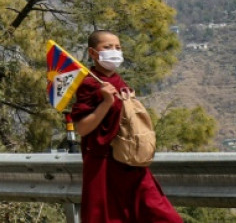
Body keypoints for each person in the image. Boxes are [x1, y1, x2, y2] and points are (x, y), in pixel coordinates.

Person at [71, 30, 182, 223]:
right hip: (104, 164)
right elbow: (82, 128)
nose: (114, 51)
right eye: (107, 47)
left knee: (162, 216)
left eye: (118, 47)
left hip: (131, 161)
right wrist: (106, 102)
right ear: (93, 53)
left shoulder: (118, 82)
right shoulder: (89, 84)